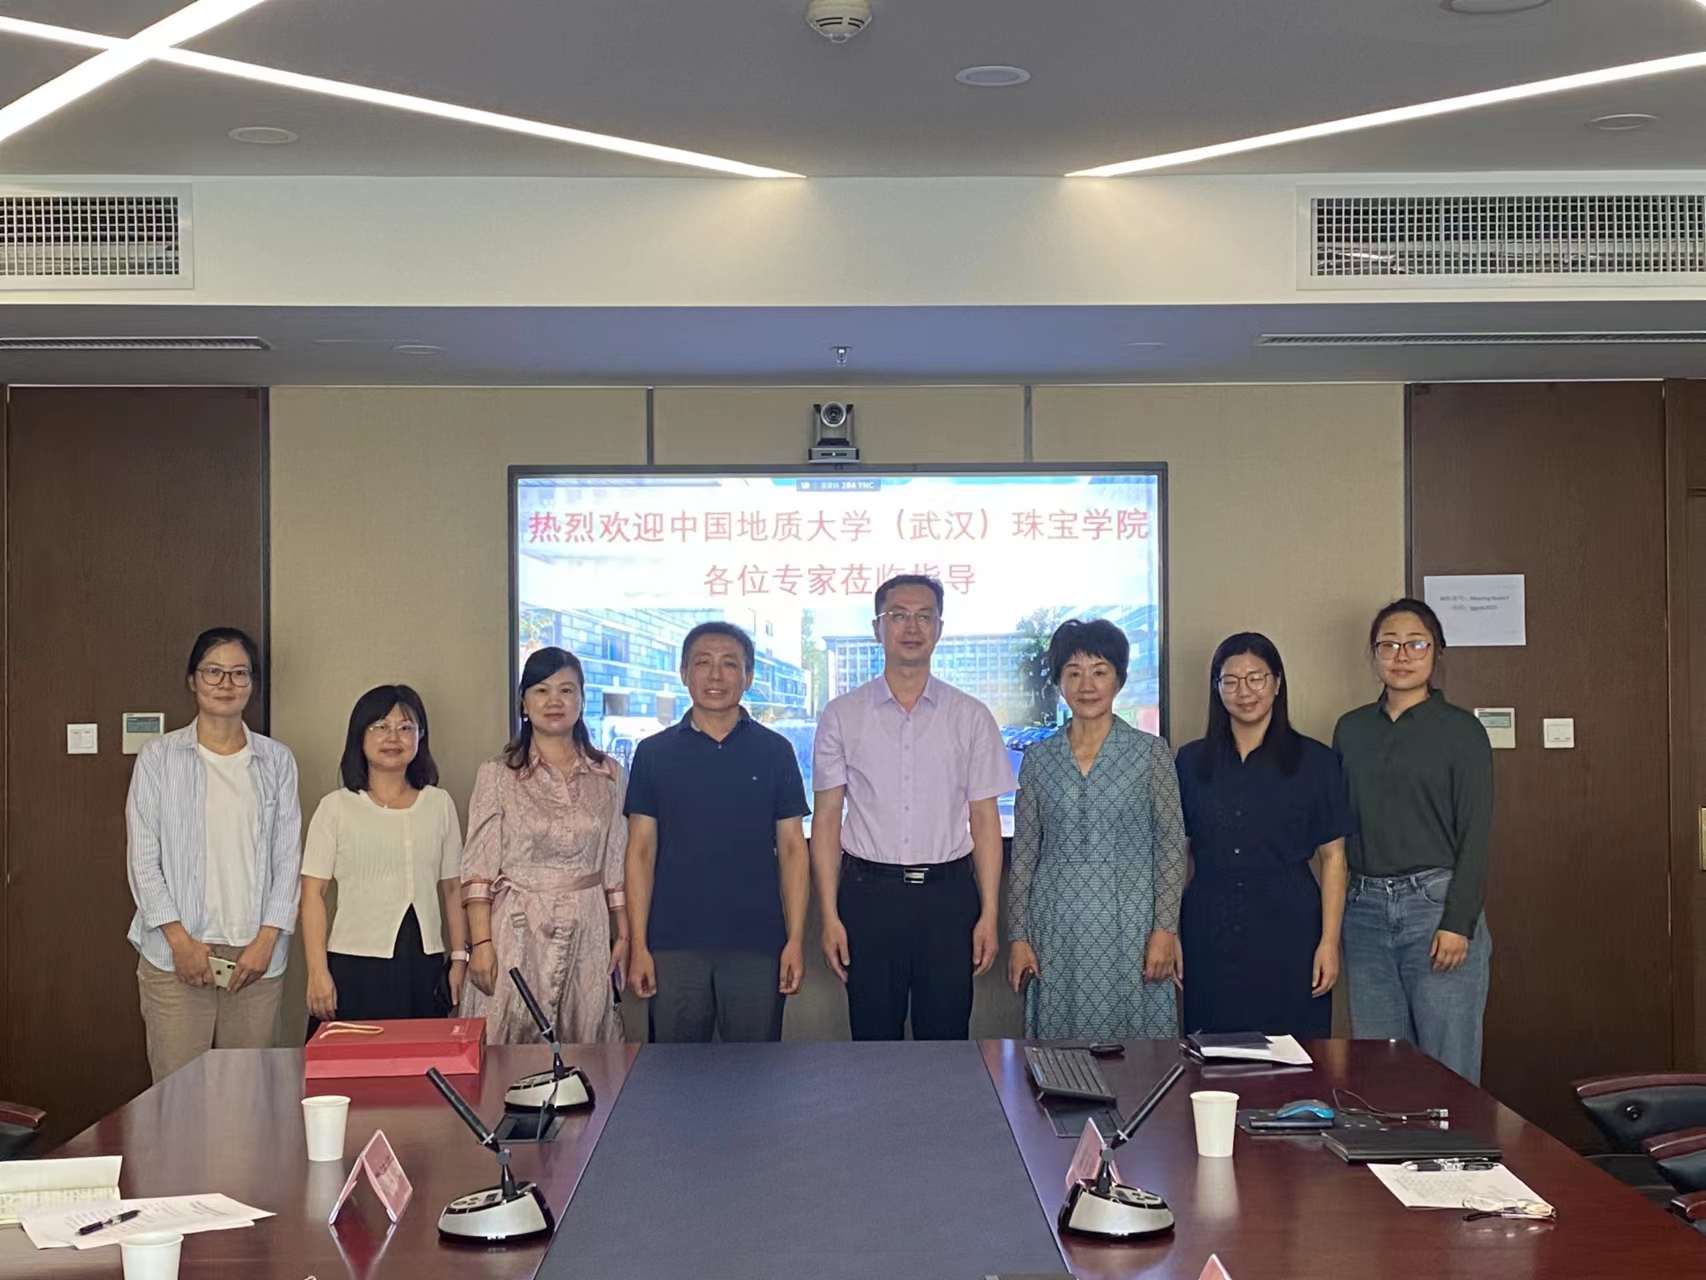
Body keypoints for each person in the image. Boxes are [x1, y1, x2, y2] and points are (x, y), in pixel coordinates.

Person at [811, 574, 1015, 1041]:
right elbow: (826, 821)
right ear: (876, 628)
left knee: (945, 1041)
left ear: (939, 629)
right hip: (867, 897)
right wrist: (829, 915)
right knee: (872, 1041)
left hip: (948, 900)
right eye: (898, 615)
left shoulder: (970, 715)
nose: (911, 627)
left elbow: (985, 821)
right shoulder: (843, 714)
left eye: (924, 616)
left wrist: (988, 912)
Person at [126, 627, 301, 1083]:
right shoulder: (159, 757)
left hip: (255, 959)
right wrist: (180, 942)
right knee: (177, 1095)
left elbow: (288, 859)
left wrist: (266, 941)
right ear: (193, 679)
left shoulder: (276, 760)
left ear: (252, 683)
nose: (227, 683)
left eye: (240, 673)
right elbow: (143, 860)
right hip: (176, 956)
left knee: (248, 1096)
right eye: (214, 672)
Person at [624, 623, 810, 1042]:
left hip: (757, 943)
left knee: (755, 1071)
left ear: (749, 676)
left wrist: (796, 939)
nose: (715, 675)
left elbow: (793, 850)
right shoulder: (654, 753)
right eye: (703, 663)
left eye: (729, 664)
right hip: (672, 944)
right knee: (674, 1071)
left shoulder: (775, 751)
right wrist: (639, 945)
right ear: (683, 673)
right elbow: (640, 852)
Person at [1333, 598, 1493, 1083]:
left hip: (1436, 908)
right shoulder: (1351, 729)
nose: (1401, 655)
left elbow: (1476, 834)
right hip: (1364, 911)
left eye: (1416, 644)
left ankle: (1452, 1140)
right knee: (1381, 1067)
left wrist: (1458, 923)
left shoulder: (1462, 731)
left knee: (1449, 1066)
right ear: (1374, 655)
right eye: (1389, 645)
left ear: (1436, 652)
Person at [1005, 619, 1186, 1040]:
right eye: (1073, 673)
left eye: (1099, 671)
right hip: (1055, 928)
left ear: (1119, 680)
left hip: (1133, 926)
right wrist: (1019, 937)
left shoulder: (1150, 753)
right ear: (1059, 682)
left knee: (1137, 1057)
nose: (1086, 685)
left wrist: (1165, 930)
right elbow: (1025, 853)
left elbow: (1171, 846)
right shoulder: (1039, 758)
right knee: (1060, 1053)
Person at [1174, 633, 1352, 1041]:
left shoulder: (1316, 761)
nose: (1244, 692)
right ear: (1216, 688)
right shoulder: (1190, 761)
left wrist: (1329, 942)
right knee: (1213, 1055)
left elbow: (1334, 858)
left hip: (1290, 928)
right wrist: (1173, 932)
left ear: (1277, 682)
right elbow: (1176, 853)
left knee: (1295, 1055)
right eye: (1230, 681)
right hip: (1209, 927)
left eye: (1256, 678)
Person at [461, 647, 627, 1044]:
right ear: (523, 702)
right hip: (516, 929)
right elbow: (478, 869)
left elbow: (617, 863)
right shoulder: (498, 774)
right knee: (507, 1041)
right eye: (541, 690)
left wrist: (624, 935)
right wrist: (481, 944)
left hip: (587, 927)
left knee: (584, 1043)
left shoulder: (609, 775)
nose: (554, 701)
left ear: (582, 700)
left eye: (566, 690)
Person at [300, 685, 469, 1032]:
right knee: (353, 1062)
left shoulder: (439, 804)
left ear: (421, 736)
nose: (393, 737)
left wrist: (458, 957)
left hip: (423, 964)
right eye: (380, 726)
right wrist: (317, 972)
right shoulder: (336, 807)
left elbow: (453, 888)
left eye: (406, 727)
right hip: (353, 965)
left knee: (420, 1060)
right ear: (359, 736)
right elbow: (312, 894)